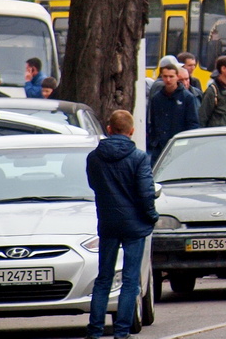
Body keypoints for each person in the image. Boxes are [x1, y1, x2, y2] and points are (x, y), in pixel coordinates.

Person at [85, 109, 158, 339]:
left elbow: (94, 185)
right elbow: (146, 193)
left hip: (108, 222)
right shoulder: (138, 157)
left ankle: (95, 331)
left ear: (109, 129)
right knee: (130, 279)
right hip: (135, 223)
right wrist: (151, 216)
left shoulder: (94, 157)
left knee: (103, 278)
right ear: (131, 131)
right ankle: (122, 331)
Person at [148, 63, 199, 164]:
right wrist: (154, 141)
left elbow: (193, 123)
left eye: (171, 76)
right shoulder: (157, 98)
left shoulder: (187, 98)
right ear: (161, 77)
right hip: (160, 147)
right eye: (165, 76)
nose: (168, 80)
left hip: (181, 147)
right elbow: (153, 122)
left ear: (177, 77)